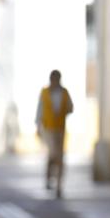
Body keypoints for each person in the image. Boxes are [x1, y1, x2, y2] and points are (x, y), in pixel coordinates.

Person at [36, 69, 74, 198]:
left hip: (61, 128)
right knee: (54, 154)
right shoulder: (45, 92)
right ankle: (49, 177)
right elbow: (40, 109)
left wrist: (63, 112)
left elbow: (70, 107)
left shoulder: (64, 93)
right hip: (48, 129)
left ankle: (59, 185)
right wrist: (38, 126)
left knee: (60, 157)